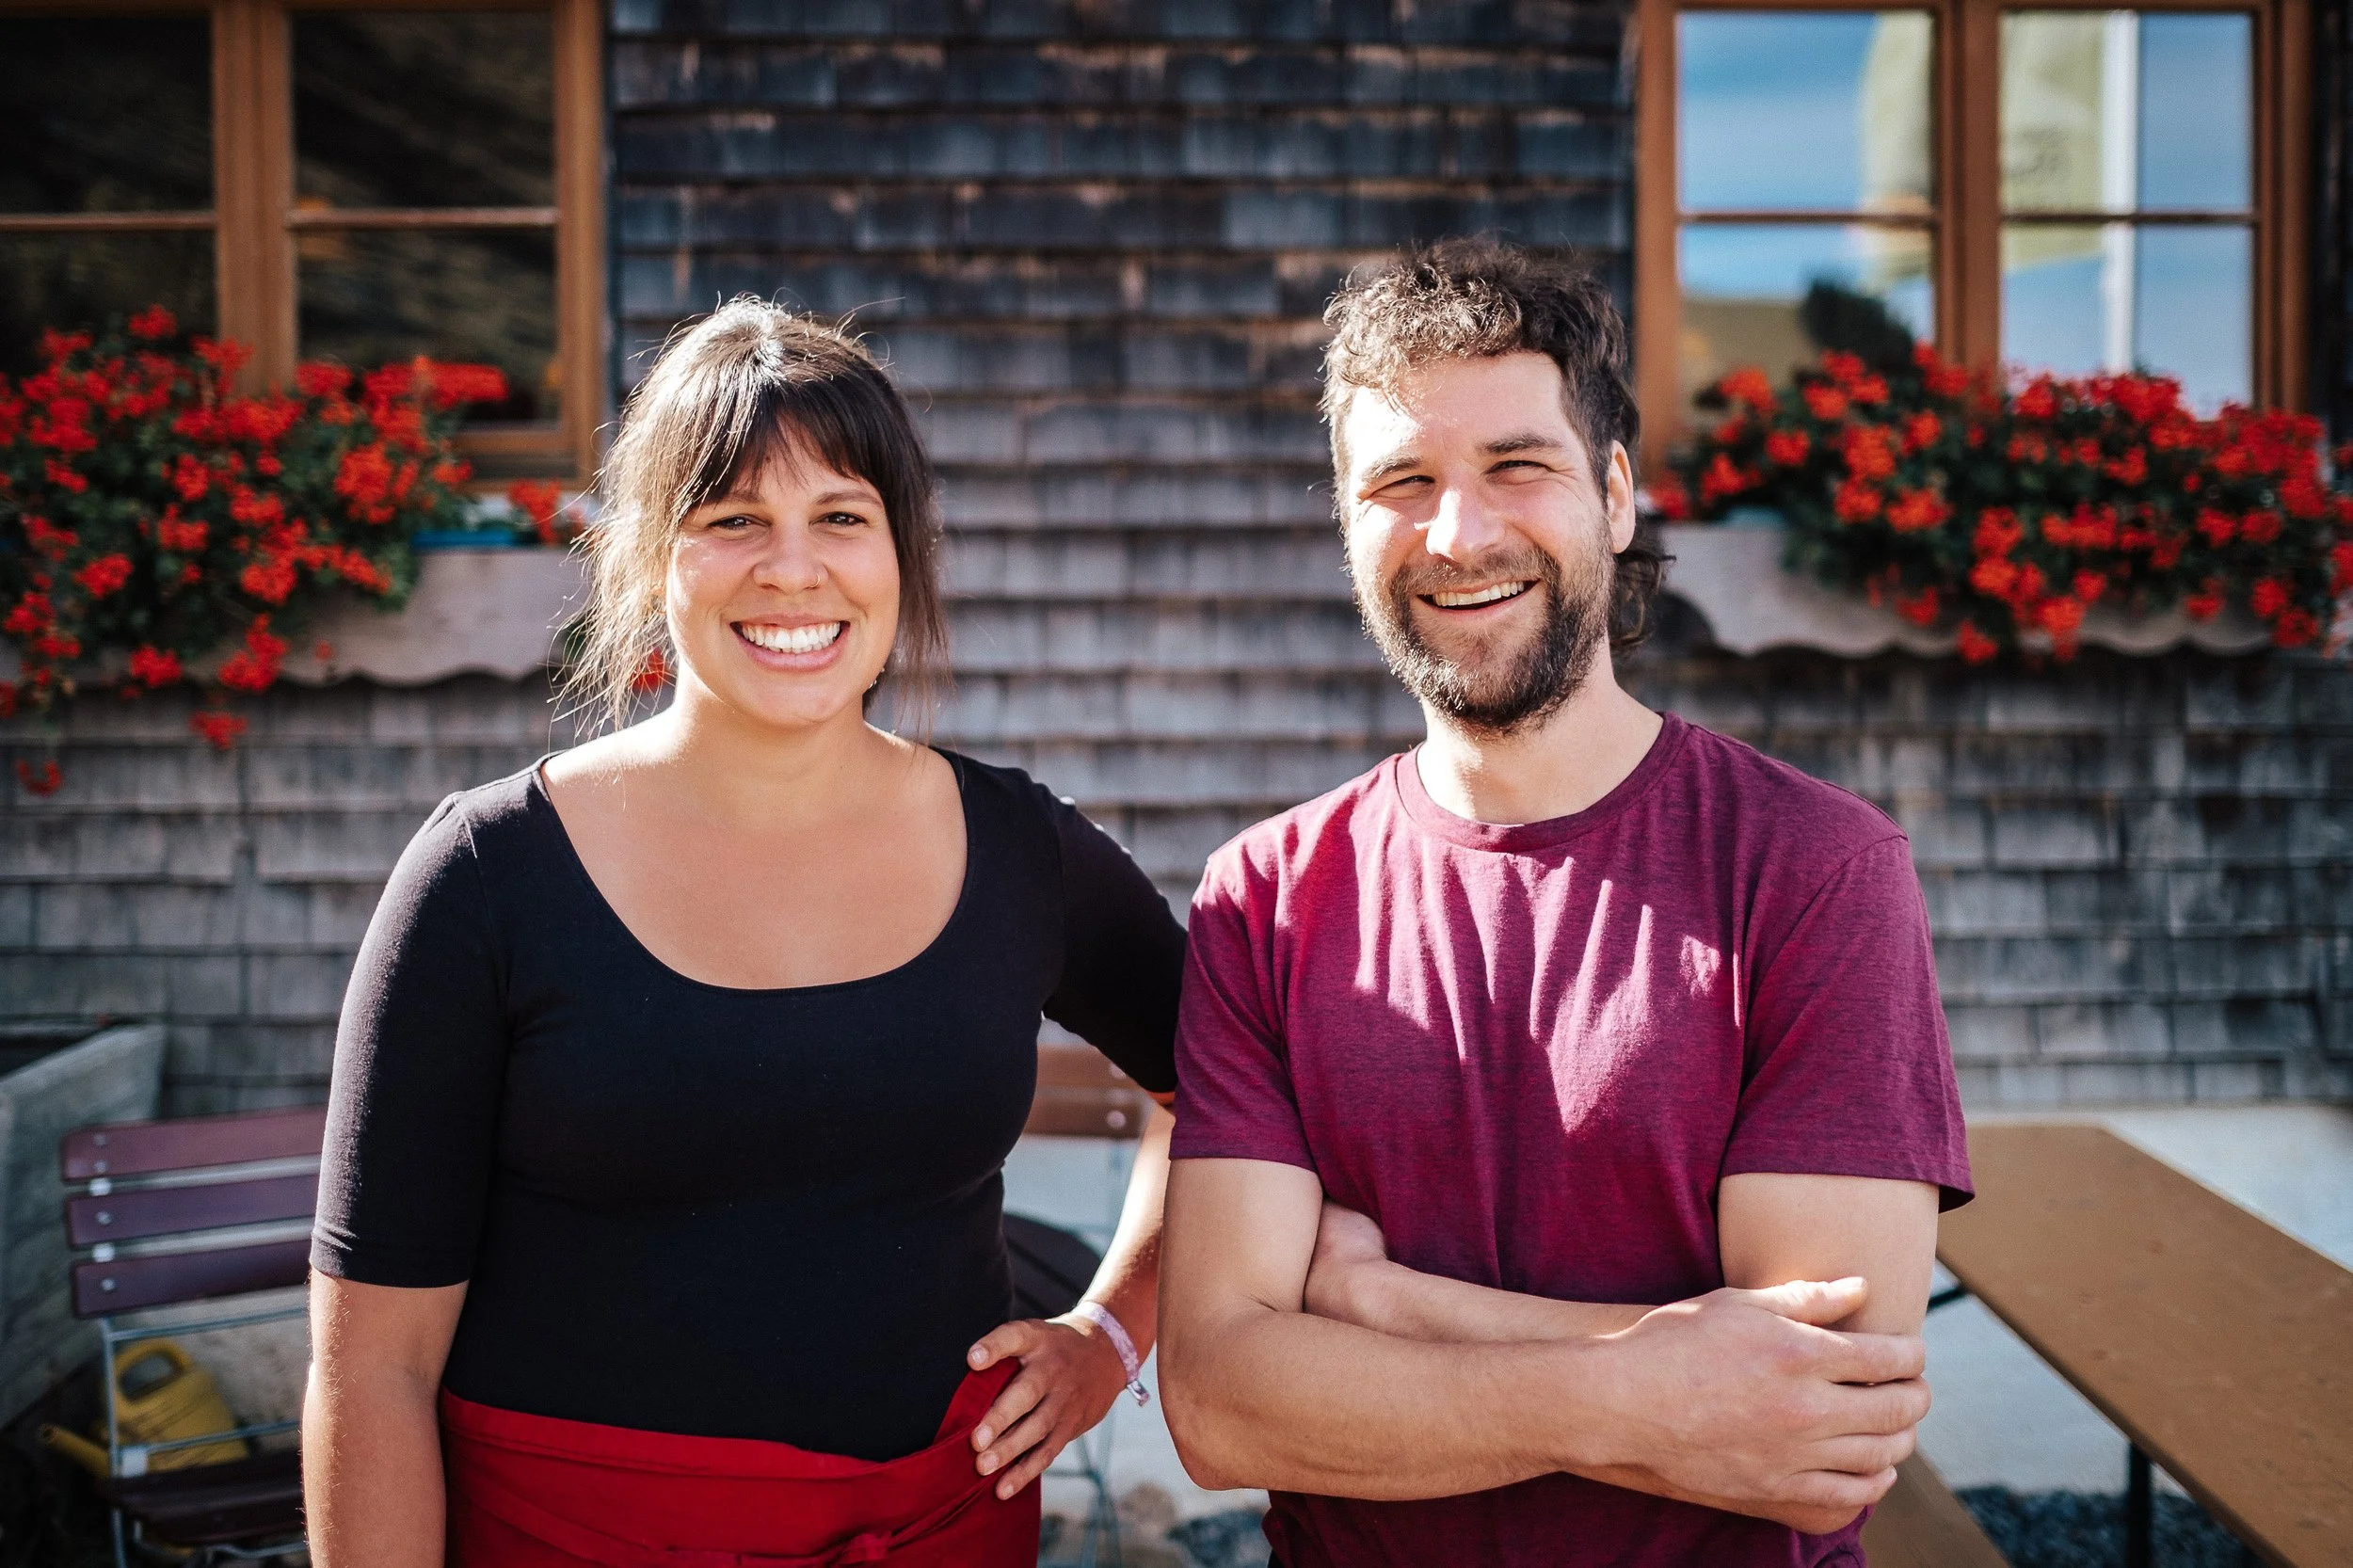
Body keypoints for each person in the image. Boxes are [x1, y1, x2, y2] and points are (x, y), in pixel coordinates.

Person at [303, 301, 1183, 1567]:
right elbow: (374, 1369)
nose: (793, 570)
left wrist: (1110, 1330)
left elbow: (1229, 1078)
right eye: (733, 520)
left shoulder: (1022, 852)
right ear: (651, 555)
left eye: (842, 517)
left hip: (941, 1528)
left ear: (901, 552)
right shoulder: (485, 877)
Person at [1157, 240, 1973, 1568]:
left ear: (1616, 495)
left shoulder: (1814, 868)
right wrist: (1659, 1382)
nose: (1459, 532)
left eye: (1516, 465)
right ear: (1348, 527)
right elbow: (1218, 1405)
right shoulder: (1269, 896)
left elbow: (1819, 1429)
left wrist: (1385, 1305)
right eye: (1402, 482)